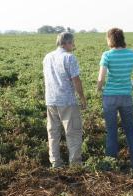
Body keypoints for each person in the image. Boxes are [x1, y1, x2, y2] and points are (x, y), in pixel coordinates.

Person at [97, 28, 133, 170]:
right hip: (126, 97)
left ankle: (110, 165)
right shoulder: (132, 54)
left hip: (110, 97)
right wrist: (130, 88)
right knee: (130, 131)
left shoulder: (107, 55)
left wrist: (99, 89)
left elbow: (101, 78)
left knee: (111, 131)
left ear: (110, 39)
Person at [43, 32, 87, 168]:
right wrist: (82, 97)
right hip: (67, 101)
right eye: (72, 43)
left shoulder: (47, 57)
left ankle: (55, 163)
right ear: (66, 43)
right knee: (73, 132)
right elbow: (76, 80)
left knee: (53, 133)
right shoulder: (69, 57)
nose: (73, 46)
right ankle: (75, 165)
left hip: (51, 100)